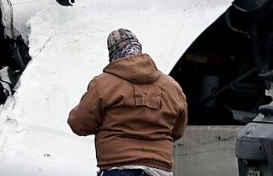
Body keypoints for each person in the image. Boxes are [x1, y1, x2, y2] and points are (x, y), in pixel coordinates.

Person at [67, 28, 188, 176]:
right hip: (159, 169)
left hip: (120, 167)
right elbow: (178, 131)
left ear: (112, 54)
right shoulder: (172, 87)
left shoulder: (103, 84)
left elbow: (79, 124)